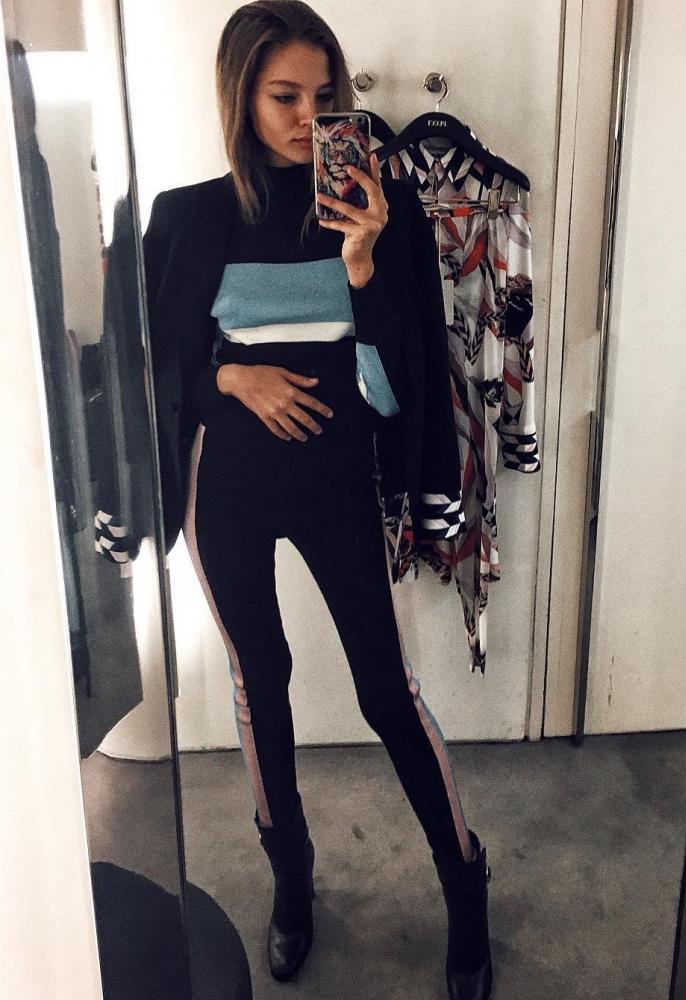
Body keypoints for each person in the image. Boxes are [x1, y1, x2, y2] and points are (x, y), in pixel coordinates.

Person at [142, 3, 492, 998]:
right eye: (283, 96)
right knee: (260, 683)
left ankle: (464, 883)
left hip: (338, 480)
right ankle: (291, 882)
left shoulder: (383, 209)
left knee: (387, 692)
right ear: (240, 98)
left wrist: (363, 264)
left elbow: (395, 385)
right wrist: (231, 378)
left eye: (324, 95)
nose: (308, 118)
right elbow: (161, 371)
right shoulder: (188, 217)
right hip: (229, 491)